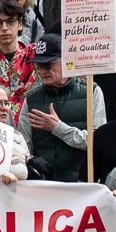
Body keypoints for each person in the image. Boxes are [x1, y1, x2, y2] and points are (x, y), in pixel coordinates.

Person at [18, 36, 91, 183]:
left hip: (82, 183)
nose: (43, 71)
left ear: (65, 61)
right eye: (38, 66)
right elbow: (23, 147)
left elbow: (95, 141)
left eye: (49, 65)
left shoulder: (90, 91)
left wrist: (57, 128)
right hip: (43, 185)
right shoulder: (31, 98)